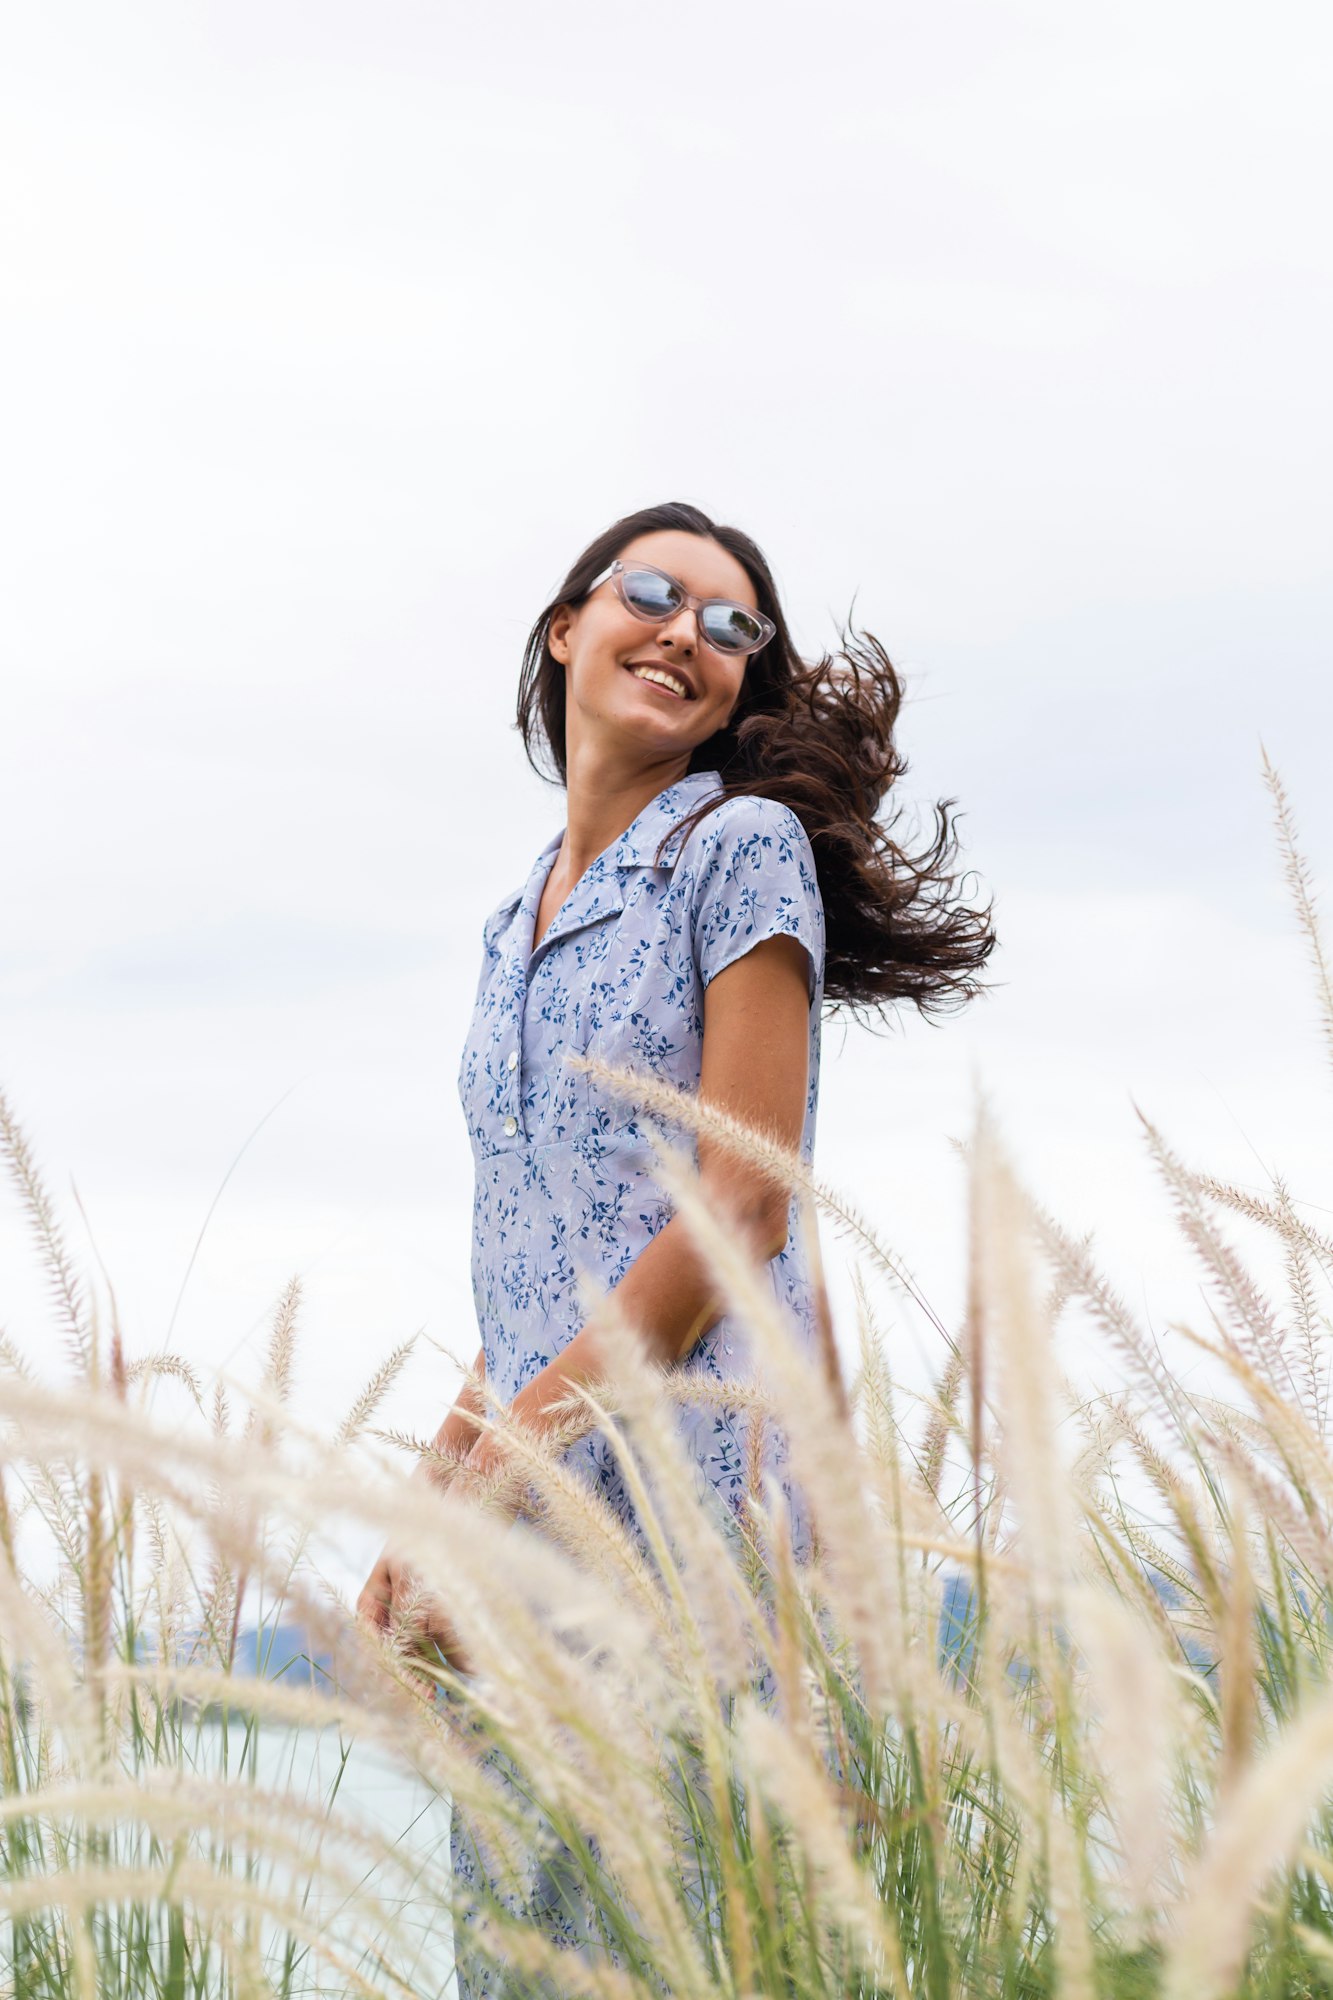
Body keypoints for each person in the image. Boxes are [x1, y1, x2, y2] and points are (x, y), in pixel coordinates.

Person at [356, 500, 996, 1996]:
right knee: (522, 1952)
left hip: (685, 1512)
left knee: (673, 1944)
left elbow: (740, 1204)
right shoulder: (509, 917)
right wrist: (436, 1503)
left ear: (742, 688)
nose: (689, 632)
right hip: (531, 1512)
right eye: (653, 592)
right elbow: (537, 1253)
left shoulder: (738, 849)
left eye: (731, 627)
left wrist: (506, 1470)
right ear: (565, 626)